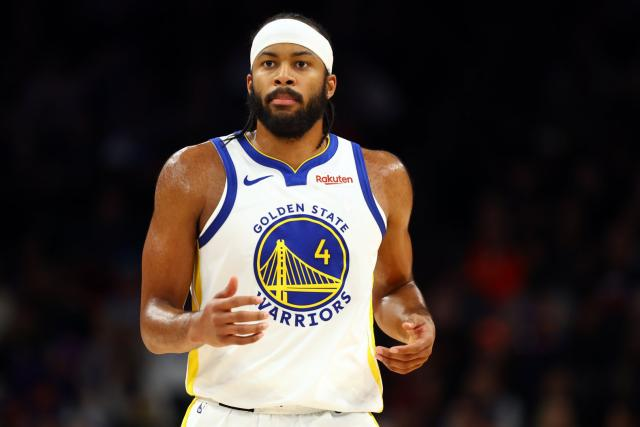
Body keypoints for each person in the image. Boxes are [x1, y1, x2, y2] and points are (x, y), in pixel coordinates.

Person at [140, 12, 436, 427]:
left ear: (329, 84)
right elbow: (153, 322)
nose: (283, 75)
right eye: (269, 63)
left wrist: (413, 321)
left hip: (342, 418)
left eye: (301, 63)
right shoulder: (193, 173)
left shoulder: (382, 176)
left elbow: (393, 289)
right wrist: (196, 327)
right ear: (251, 82)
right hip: (228, 416)